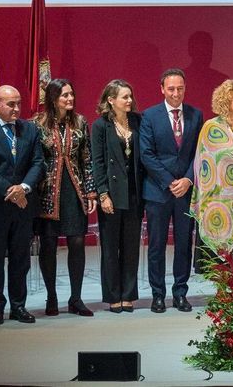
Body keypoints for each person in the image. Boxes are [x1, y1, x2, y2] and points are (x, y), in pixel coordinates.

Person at [0, 85, 44, 324]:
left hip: (24, 207)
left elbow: (37, 163)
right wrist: (9, 191)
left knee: (20, 259)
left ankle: (18, 306)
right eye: (10, 104)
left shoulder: (30, 130)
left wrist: (23, 188)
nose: (16, 109)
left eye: (18, 103)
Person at [139, 68, 202, 313]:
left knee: (184, 244)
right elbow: (146, 154)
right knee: (156, 245)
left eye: (180, 88)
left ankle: (180, 293)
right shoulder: (150, 115)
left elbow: (200, 152)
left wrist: (187, 180)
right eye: (171, 89)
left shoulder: (196, 115)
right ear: (162, 89)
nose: (176, 93)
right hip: (158, 191)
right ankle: (157, 295)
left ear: (185, 88)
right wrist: (169, 181)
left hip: (186, 192)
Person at [35, 78, 96, 316]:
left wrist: (91, 191)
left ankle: (76, 298)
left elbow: (87, 159)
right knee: (48, 244)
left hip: (75, 189)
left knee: (77, 242)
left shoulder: (80, 122)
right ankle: (51, 296)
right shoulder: (37, 124)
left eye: (72, 94)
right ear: (53, 98)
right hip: (47, 192)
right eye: (65, 95)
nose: (70, 99)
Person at [193, 79, 233, 273]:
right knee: (220, 264)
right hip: (217, 205)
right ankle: (224, 297)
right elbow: (202, 166)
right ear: (225, 103)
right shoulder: (211, 128)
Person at [89, 79, 143, 313]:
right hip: (111, 193)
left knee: (131, 246)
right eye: (124, 97)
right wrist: (102, 194)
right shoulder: (101, 126)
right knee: (111, 247)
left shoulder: (138, 121)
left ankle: (128, 294)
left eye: (130, 96)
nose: (129, 100)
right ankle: (113, 295)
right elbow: (97, 162)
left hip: (134, 192)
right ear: (111, 100)